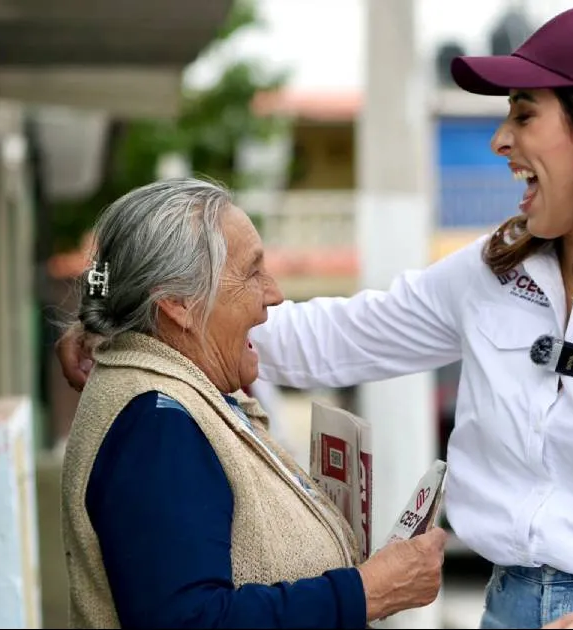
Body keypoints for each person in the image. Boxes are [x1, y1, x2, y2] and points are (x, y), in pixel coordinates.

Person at [60, 5, 573, 629]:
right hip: (506, 606)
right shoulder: (490, 274)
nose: (500, 141)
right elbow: (332, 339)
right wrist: (129, 328)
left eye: (524, 115)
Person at [60, 179, 447, 629]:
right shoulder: (158, 424)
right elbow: (189, 621)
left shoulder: (170, 394)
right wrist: (368, 592)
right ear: (178, 304)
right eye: (252, 271)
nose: (274, 294)